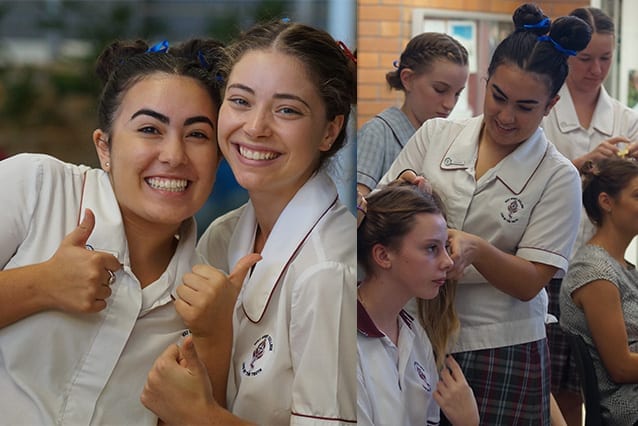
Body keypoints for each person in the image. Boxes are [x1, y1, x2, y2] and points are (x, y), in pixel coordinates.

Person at [379, 4, 591, 424]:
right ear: (485, 80)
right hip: (415, 332)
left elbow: (532, 281)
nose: (506, 117)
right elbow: (380, 216)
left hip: (501, 347)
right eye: (498, 97)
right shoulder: (435, 136)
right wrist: (404, 189)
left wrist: (477, 249)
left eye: (526, 107)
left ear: (550, 104)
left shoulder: (557, 176)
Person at [0, 38, 227, 424]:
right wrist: (42, 285)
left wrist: (214, 339)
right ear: (104, 147)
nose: (173, 155)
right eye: (150, 129)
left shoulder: (209, 294)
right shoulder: (36, 187)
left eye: (197, 134)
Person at [141, 20, 357, 425]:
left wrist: (199, 415)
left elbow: (193, 409)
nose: (255, 127)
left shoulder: (330, 271)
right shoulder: (222, 235)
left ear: (330, 130)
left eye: (287, 110)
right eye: (240, 101)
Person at [541, 8, 638, 423]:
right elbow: (534, 183)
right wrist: (579, 164)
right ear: (565, 57)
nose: (596, 69)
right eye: (585, 59)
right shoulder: (543, 114)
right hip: (554, 263)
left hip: (607, 258)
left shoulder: (625, 119)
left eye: (606, 58)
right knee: (564, 384)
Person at [356, 181, 479, 426]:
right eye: (431, 248)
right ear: (383, 255)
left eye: (445, 247)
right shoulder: (341, 339)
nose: (447, 262)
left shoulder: (415, 335)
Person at [560, 157, 638, 425]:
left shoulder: (622, 266)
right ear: (607, 202)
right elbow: (620, 366)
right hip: (627, 406)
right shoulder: (594, 271)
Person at [356, 32, 469, 195]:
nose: (449, 104)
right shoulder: (377, 134)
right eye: (440, 90)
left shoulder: (444, 142)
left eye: (457, 93)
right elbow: (357, 210)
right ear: (407, 78)